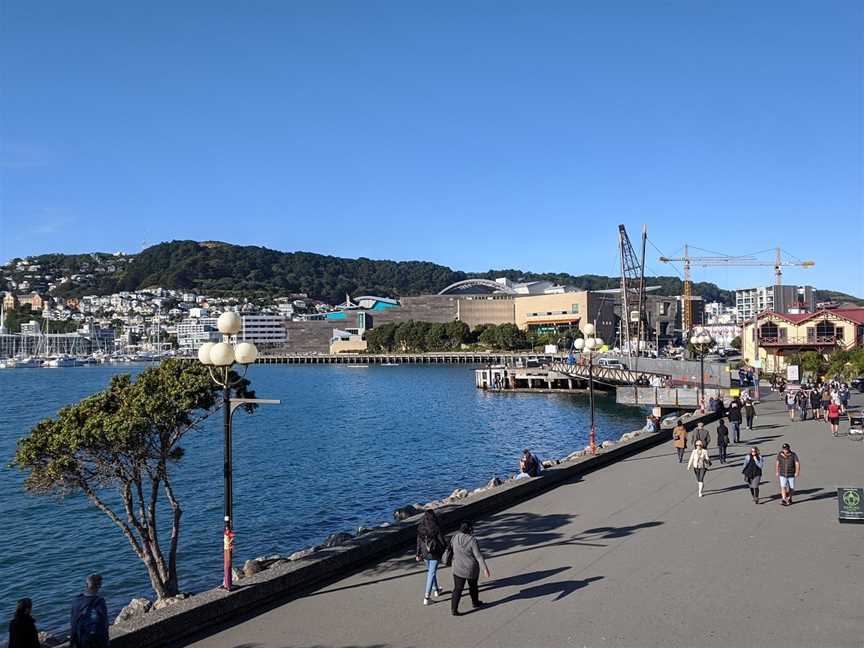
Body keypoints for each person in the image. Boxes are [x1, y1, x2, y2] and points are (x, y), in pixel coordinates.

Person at [443, 521, 491, 616]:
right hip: (471, 569)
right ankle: (475, 602)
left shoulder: (455, 537)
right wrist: (485, 569)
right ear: (470, 529)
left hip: (457, 568)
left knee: (457, 589)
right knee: (473, 586)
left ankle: (454, 609)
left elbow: (450, 550)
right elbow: (478, 556)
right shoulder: (472, 540)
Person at [415, 510, 447, 605]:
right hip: (434, 553)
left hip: (425, 553)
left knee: (431, 572)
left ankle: (436, 590)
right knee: (431, 573)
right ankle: (427, 597)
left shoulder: (420, 528)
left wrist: (418, 554)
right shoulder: (436, 527)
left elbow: (418, 542)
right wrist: (445, 549)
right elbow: (442, 541)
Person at [70, 574, 108, 648]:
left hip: (79, 641)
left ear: (86, 585)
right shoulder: (99, 602)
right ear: (98, 586)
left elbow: (73, 623)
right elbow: (104, 624)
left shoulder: (76, 600)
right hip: (95, 642)